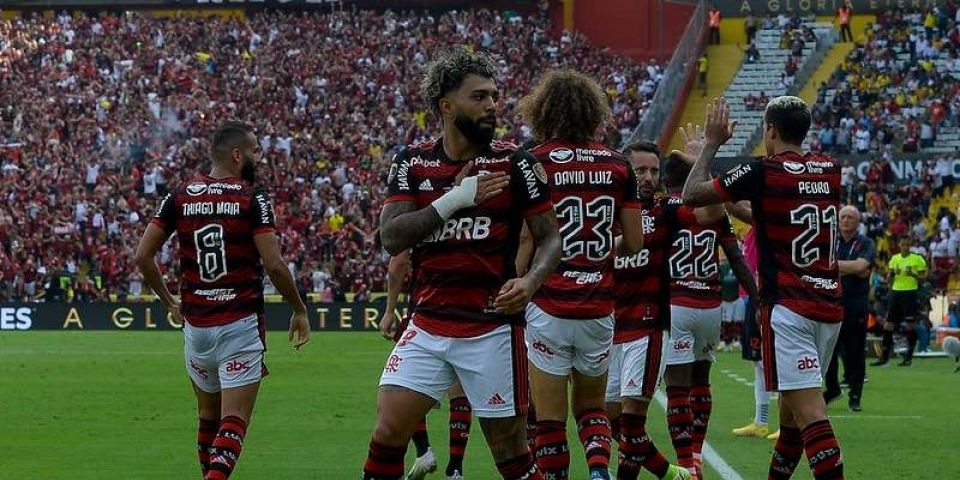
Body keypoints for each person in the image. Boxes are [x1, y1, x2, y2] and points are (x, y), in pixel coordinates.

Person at [363, 47, 561, 480]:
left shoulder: (516, 163)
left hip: (490, 326)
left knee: (510, 451)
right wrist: (455, 199)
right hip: (428, 323)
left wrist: (530, 281)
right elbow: (391, 236)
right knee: (388, 431)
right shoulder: (412, 162)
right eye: (479, 96)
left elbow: (550, 238)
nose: (492, 105)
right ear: (446, 106)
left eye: (494, 95)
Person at [135, 120, 311, 480]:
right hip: (239, 323)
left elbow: (142, 256)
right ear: (236, 155)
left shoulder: (180, 195)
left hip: (196, 328)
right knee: (233, 422)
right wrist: (299, 308)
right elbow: (274, 265)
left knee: (208, 419)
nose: (259, 156)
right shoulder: (252, 197)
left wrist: (169, 300)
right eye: (255, 149)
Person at [682, 96, 845, 479]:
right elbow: (761, 214)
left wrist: (709, 147)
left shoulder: (762, 171)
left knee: (810, 416)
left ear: (770, 130)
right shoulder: (829, 169)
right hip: (829, 306)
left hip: (790, 309)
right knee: (790, 419)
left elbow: (692, 195)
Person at [517, 69, 644, 480]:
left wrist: (514, 285)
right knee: (591, 408)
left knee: (549, 419)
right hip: (598, 306)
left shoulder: (534, 162)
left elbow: (524, 240)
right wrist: (604, 253)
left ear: (543, 110)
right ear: (593, 111)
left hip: (549, 303)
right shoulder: (619, 165)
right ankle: (599, 472)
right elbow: (635, 242)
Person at [661, 134, 758, 478]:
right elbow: (738, 260)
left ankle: (687, 462)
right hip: (710, 306)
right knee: (702, 381)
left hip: (677, 304)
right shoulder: (715, 215)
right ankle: (697, 454)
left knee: (677, 387)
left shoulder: (666, 209)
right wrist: (758, 301)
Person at [607, 140, 694, 480]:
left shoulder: (665, 210)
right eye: (640, 169)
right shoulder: (606, 210)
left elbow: (710, 213)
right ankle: (671, 474)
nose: (647, 177)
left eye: (653, 171)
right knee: (612, 421)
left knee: (630, 421)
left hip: (648, 326)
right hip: (608, 326)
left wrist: (704, 156)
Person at [378, 251, 473, 480]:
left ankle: (423, 450)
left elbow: (397, 261)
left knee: (404, 383)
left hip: (429, 308)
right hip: (474, 308)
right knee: (460, 392)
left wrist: (390, 310)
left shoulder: (419, 214)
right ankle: (455, 469)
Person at [727, 227, 780, 441]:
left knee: (777, 362)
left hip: (766, 297)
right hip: (752, 297)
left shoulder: (765, 223)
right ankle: (761, 422)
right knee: (758, 363)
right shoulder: (752, 230)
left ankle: (790, 423)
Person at [824, 206, 874, 411]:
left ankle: (855, 396)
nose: (845, 220)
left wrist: (833, 266)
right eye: (842, 216)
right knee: (828, 351)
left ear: (858, 221)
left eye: (850, 217)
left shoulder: (866, 242)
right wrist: (851, 267)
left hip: (855, 305)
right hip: (830, 303)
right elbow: (820, 265)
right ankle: (833, 388)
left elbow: (861, 268)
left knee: (855, 352)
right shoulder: (830, 239)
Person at [873, 236, 928, 367]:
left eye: (907, 244)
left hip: (910, 293)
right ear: (899, 245)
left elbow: (923, 279)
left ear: (910, 245)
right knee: (888, 325)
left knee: (910, 325)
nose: (905, 247)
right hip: (895, 293)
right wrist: (892, 274)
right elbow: (889, 280)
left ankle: (908, 357)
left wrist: (913, 274)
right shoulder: (894, 259)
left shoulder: (917, 259)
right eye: (903, 244)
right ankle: (884, 357)